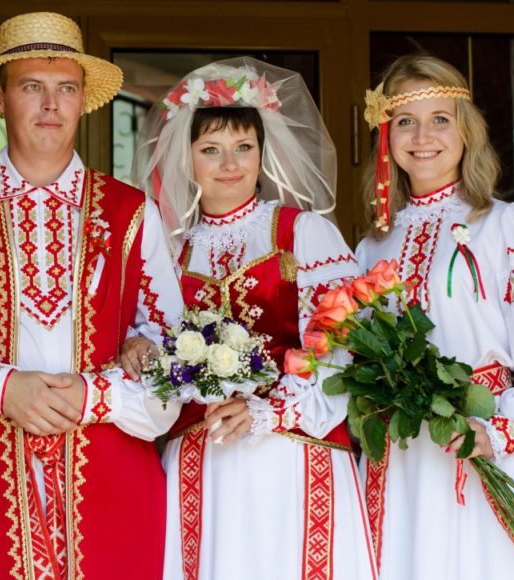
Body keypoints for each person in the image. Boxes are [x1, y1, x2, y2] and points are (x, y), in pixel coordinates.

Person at [0, 12, 184, 580]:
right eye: (32, 87)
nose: (51, 104)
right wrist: (0, 386)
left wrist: (97, 396)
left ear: (81, 101)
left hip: (109, 473)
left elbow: (170, 342)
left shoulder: (129, 211)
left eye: (66, 88)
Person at [124, 57, 376, 579]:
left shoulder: (302, 232)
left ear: (263, 153)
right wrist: (137, 348)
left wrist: (268, 412)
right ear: (185, 157)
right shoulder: (172, 255)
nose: (229, 164)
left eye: (243, 148)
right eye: (210, 150)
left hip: (290, 450)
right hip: (203, 460)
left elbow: (342, 342)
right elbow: (149, 338)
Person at [355, 53, 514, 580]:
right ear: (386, 138)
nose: (423, 136)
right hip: (399, 460)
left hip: (483, 440)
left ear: (465, 131)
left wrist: (499, 431)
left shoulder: (509, 227)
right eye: (405, 122)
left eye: (441, 119)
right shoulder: (370, 247)